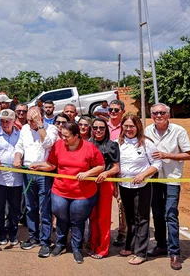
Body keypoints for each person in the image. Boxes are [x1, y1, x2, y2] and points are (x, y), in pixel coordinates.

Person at [31, 123, 104, 264]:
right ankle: (60, 244)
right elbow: (52, 164)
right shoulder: (58, 145)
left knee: (77, 220)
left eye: (66, 136)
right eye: (62, 135)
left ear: (77, 136)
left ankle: (77, 248)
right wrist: (39, 165)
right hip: (60, 190)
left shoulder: (89, 147)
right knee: (61, 216)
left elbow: (100, 166)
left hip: (83, 193)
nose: (62, 138)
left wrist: (87, 173)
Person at [145, 103, 190, 271]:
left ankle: (174, 253)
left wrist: (167, 155)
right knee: (157, 214)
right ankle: (161, 245)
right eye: (155, 113)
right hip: (154, 178)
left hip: (172, 179)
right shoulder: (147, 131)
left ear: (168, 114)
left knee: (171, 214)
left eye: (162, 113)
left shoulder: (179, 131)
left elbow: (188, 155)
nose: (158, 115)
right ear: (151, 115)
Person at [117, 115, 162, 265]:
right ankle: (129, 246)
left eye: (132, 126)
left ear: (138, 127)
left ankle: (141, 253)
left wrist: (143, 174)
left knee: (142, 218)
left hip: (142, 187)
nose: (128, 129)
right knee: (130, 218)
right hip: (124, 186)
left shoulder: (146, 144)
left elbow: (157, 163)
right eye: (126, 126)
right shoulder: (118, 143)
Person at [13, 106, 57, 257]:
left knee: (45, 209)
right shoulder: (24, 129)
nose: (30, 122)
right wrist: (17, 157)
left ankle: (45, 241)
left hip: (44, 174)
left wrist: (40, 126)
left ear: (41, 118)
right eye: (29, 120)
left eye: (33, 119)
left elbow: (48, 144)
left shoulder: (51, 129)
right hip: (28, 172)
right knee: (30, 207)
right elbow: (20, 146)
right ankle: (33, 237)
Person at [0, 109, 22, 245]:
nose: (5, 123)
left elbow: (22, 150)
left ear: (14, 121)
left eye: (8, 121)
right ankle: (2, 233)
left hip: (16, 179)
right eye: (2, 121)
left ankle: (13, 233)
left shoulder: (20, 135)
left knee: (14, 209)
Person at [88, 118, 120, 259]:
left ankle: (103, 249)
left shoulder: (112, 145)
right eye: (95, 128)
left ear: (106, 129)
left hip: (105, 183)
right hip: (89, 184)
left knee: (104, 217)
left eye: (101, 128)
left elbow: (116, 167)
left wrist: (105, 173)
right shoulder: (87, 144)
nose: (98, 130)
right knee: (92, 216)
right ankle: (93, 245)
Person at [106, 99, 127, 246]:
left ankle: (122, 232)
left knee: (122, 204)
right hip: (105, 172)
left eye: (116, 110)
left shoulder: (127, 127)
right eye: (111, 110)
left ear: (122, 112)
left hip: (122, 172)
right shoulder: (101, 127)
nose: (113, 112)